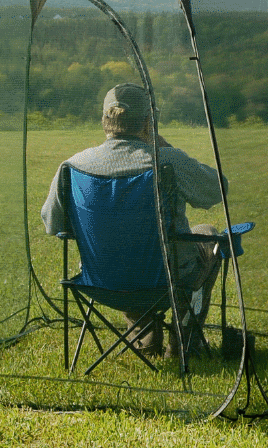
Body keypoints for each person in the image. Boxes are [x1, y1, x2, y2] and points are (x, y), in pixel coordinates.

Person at [41, 83, 224, 358]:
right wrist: (166, 147)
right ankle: (184, 346)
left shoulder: (73, 165)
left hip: (102, 280)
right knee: (208, 234)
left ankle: (144, 340)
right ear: (149, 122)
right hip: (168, 279)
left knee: (122, 248)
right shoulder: (166, 161)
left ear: (105, 120)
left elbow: (52, 224)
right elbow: (216, 189)